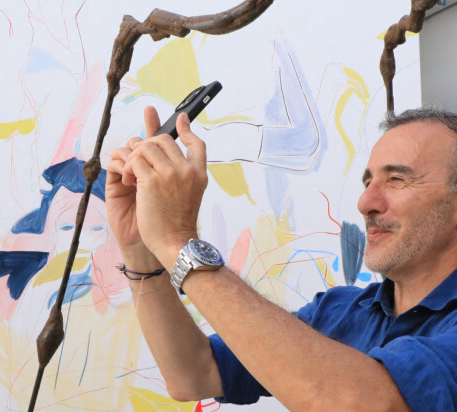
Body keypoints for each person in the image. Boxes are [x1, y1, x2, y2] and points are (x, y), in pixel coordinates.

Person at [105, 106, 457, 412]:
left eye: (397, 179)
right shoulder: (339, 310)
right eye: (368, 181)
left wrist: (177, 240)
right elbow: (194, 374)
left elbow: (356, 403)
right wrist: (141, 249)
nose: (366, 203)